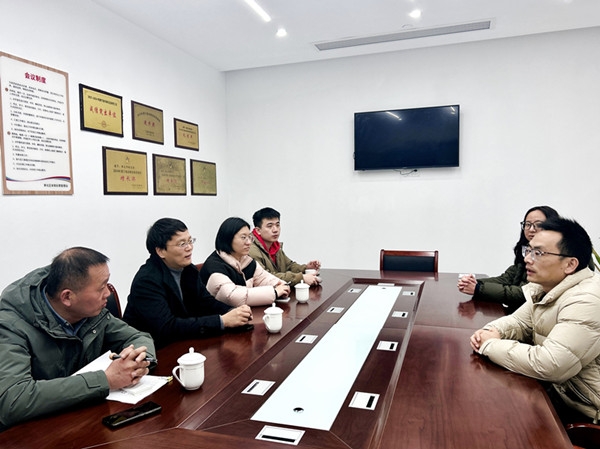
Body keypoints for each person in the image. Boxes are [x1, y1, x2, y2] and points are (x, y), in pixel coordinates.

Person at [0, 247, 155, 431]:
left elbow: (137, 337)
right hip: (32, 432)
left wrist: (137, 361)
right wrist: (105, 380)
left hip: (84, 419)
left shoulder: (89, 310)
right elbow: (12, 400)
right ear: (67, 297)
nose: (108, 293)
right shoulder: (11, 324)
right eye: (101, 288)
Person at [469, 217, 600, 424]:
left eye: (538, 253)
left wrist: (489, 345)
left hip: (587, 415)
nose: (527, 259)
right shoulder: (548, 286)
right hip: (560, 394)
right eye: (528, 250)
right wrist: (492, 331)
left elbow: (550, 365)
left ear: (570, 264)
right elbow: (519, 322)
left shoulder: (587, 299)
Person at [122, 218, 253, 348]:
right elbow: (166, 327)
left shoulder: (189, 270)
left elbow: (206, 302)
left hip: (183, 342)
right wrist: (222, 321)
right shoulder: (147, 281)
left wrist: (233, 312)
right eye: (182, 244)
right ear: (161, 251)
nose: (189, 247)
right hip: (151, 349)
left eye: (190, 241)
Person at [458, 205, 559, 312]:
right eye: (527, 224)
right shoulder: (525, 251)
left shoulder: (551, 256)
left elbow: (524, 294)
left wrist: (478, 289)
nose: (531, 229)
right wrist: (473, 283)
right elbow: (506, 279)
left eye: (538, 224)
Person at [200, 217, 291, 307]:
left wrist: (280, 284)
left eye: (250, 237)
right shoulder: (214, 267)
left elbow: (264, 278)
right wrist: (274, 292)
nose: (249, 242)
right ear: (228, 239)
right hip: (217, 315)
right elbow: (232, 296)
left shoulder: (246, 261)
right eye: (243, 237)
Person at [249, 207, 321, 286]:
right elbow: (267, 277)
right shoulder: (250, 249)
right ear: (258, 230)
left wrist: (306, 268)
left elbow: (289, 266)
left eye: (277, 225)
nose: (275, 230)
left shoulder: (274, 246)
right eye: (270, 226)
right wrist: (301, 278)